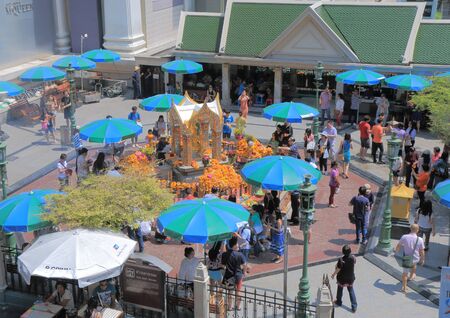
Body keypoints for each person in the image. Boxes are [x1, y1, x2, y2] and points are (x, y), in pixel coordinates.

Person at [395, 224, 425, 292]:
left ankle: (404, 287)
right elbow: (422, 251)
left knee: (405, 273)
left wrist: (396, 251)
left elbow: (398, 245)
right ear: (417, 230)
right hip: (416, 258)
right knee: (414, 265)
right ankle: (411, 276)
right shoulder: (420, 239)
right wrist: (422, 259)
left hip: (407, 259)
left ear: (410, 229)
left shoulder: (404, 237)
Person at [222, 236, 247, 311]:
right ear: (235, 245)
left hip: (229, 276)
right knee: (238, 291)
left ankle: (230, 306)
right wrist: (244, 272)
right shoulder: (240, 255)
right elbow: (244, 264)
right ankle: (238, 306)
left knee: (230, 292)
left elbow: (223, 265)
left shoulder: (225, 254)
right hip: (238, 275)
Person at [331, 245, 357, 313]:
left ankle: (339, 302)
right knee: (351, 291)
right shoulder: (353, 258)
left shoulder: (341, 260)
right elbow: (354, 262)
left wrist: (333, 274)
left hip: (342, 279)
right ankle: (354, 306)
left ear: (343, 252)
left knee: (340, 290)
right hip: (350, 278)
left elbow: (338, 269)